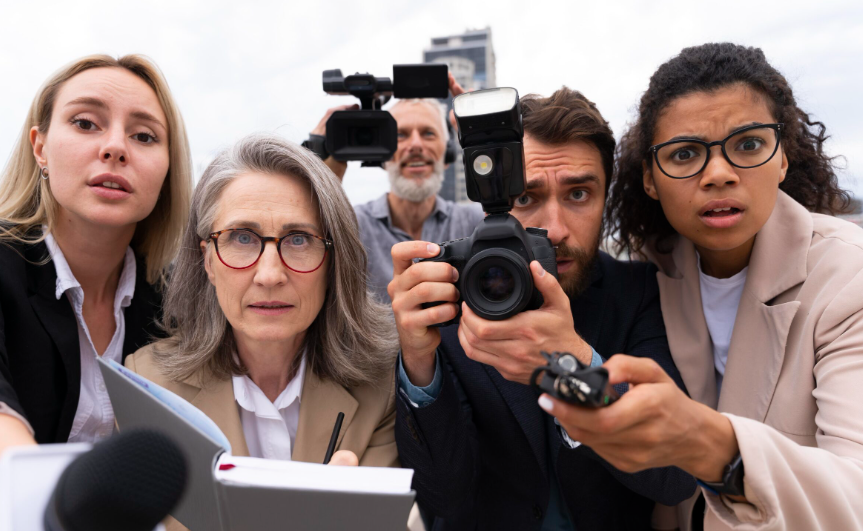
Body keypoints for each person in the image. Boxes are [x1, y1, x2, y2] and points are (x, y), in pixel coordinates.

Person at [543, 42, 863, 531]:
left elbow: (855, 494)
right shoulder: (650, 272)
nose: (718, 174)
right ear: (649, 177)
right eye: (686, 153)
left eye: (749, 144)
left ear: (783, 157)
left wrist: (708, 443)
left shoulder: (846, 279)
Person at [389, 87, 696, 530]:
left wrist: (572, 370)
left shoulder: (638, 294)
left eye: (578, 195)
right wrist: (418, 361)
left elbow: (675, 476)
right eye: (527, 198)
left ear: (605, 198)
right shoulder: (456, 301)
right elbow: (443, 498)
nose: (554, 229)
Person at [125, 133, 399, 530]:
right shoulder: (148, 388)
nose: (270, 275)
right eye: (241, 238)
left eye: (299, 239)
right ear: (207, 260)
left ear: (333, 261)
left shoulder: (383, 383)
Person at [0, 55, 192, 454]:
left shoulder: (179, 302)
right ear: (41, 148)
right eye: (85, 123)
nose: (115, 148)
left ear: (168, 168)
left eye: (144, 136)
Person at [308, 74, 483, 302]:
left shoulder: (475, 223)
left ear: (448, 153)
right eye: (400, 135)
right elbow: (305, 253)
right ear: (383, 155)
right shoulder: (351, 227)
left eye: (428, 133)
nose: (416, 145)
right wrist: (323, 167)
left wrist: (482, 139)